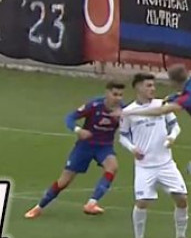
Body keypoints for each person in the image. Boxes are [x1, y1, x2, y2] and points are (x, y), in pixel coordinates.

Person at [117, 65, 191, 238]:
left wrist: (130, 112)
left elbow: (163, 112)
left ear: (173, 81)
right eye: (149, 85)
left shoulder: (185, 100)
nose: (153, 88)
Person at [24, 81, 125, 219]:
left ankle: (91, 203)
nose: (118, 98)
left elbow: (135, 123)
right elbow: (70, 118)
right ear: (107, 93)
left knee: (112, 167)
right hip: (85, 146)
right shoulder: (94, 105)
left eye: (120, 95)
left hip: (104, 147)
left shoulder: (124, 109)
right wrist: (78, 130)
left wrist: (125, 118)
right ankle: (39, 207)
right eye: (115, 94)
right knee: (64, 181)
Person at [119, 73, 190, 238]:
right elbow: (123, 136)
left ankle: (181, 236)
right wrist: (132, 149)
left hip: (166, 163)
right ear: (138, 87)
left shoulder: (162, 105)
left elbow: (175, 126)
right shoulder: (129, 112)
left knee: (182, 199)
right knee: (142, 202)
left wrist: (172, 137)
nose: (152, 89)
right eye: (148, 85)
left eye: (153, 85)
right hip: (145, 166)